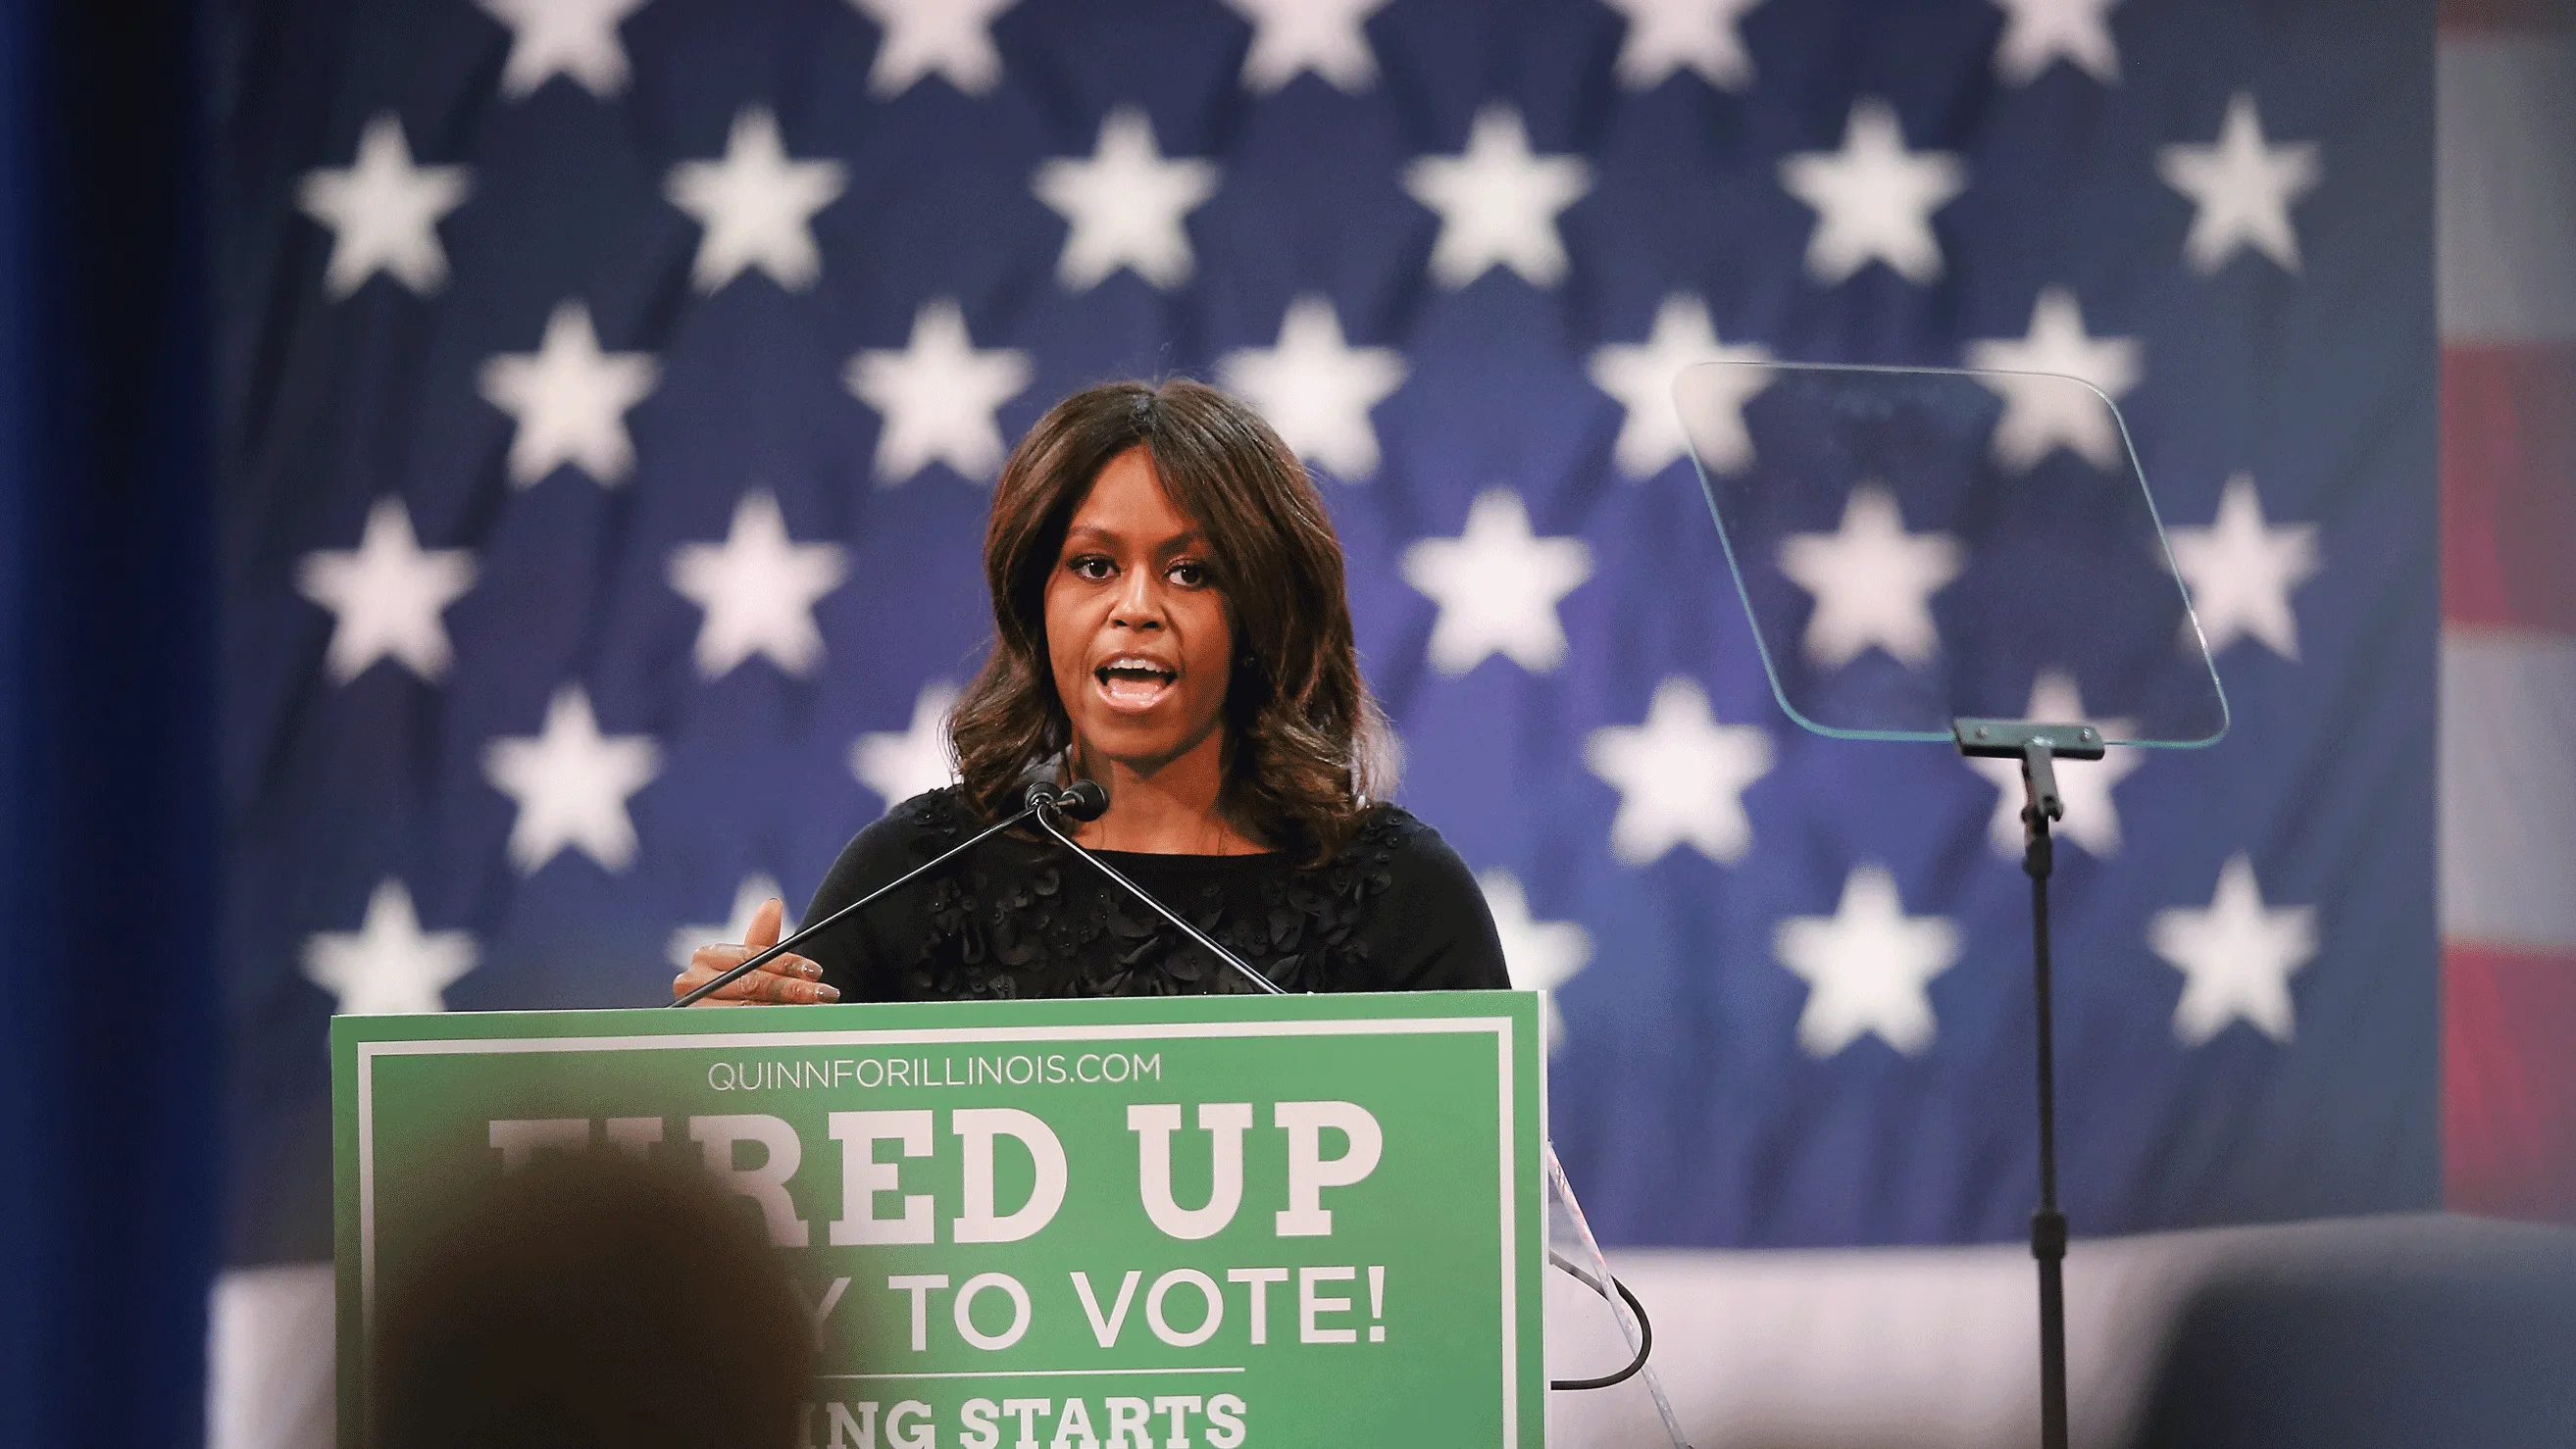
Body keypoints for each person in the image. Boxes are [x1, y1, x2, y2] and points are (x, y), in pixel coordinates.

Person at [672, 378, 1508, 1005]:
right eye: (1093, 566)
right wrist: (733, 1074)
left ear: (1260, 612)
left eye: (1190, 572)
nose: (1135, 607)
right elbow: (787, 1200)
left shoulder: (1401, 899)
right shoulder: (917, 877)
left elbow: (1490, 1215)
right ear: (1038, 604)